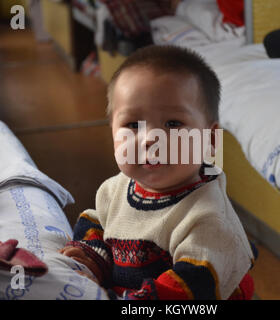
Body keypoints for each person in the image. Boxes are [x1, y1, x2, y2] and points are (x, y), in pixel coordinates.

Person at [59, 45, 256, 300]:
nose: (151, 139)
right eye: (132, 124)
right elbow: (99, 227)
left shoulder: (208, 219)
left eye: (173, 124)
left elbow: (182, 292)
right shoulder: (114, 189)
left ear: (210, 139)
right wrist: (90, 261)